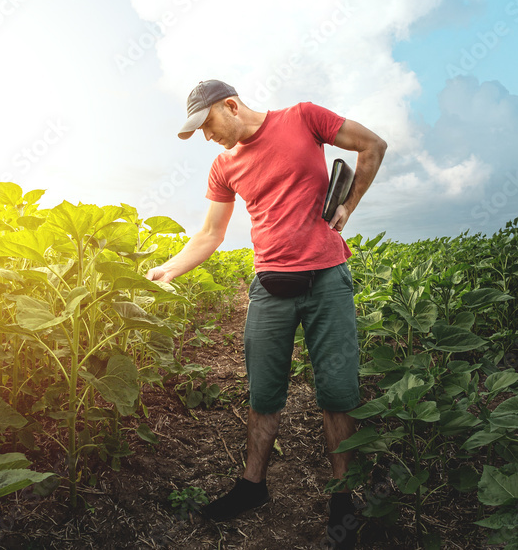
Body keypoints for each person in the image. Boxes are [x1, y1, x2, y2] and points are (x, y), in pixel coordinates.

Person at [146, 79, 387, 549]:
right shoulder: (222, 166)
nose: (207, 137)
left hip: (327, 281)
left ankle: (343, 498)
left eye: (208, 124)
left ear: (231, 105)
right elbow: (211, 234)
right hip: (270, 288)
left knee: (337, 392)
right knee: (264, 390)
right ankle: (252, 486)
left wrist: (347, 206)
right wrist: (168, 270)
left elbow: (373, 145)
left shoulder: (303, 118)